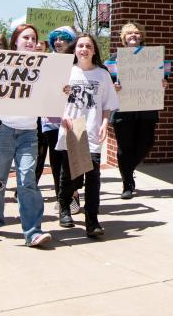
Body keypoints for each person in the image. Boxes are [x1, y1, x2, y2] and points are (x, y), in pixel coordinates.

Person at [0, 24, 52, 247]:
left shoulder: (45, 68)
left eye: (34, 38)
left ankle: (33, 231)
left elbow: (50, 96)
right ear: (15, 41)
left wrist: (61, 91)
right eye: (25, 37)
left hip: (29, 132)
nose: (30, 41)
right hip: (2, 131)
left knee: (28, 180)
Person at [56, 33, 118, 237]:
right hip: (72, 128)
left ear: (94, 50)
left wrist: (105, 124)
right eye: (80, 45)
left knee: (93, 177)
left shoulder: (102, 74)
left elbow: (109, 104)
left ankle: (92, 220)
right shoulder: (65, 72)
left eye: (88, 46)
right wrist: (61, 113)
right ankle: (64, 206)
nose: (84, 49)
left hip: (91, 129)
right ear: (74, 49)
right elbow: (52, 99)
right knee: (71, 177)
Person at [110, 22, 167, 200]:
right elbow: (109, 81)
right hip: (122, 108)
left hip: (146, 108)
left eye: (136, 33)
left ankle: (128, 169)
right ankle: (127, 183)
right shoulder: (114, 57)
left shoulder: (152, 57)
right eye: (129, 34)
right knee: (124, 147)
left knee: (147, 142)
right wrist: (114, 86)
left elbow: (163, 76)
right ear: (123, 37)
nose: (133, 36)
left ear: (142, 36)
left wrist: (163, 83)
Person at [35, 26, 77, 214]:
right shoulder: (45, 61)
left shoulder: (79, 63)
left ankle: (73, 195)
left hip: (74, 117)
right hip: (51, 118)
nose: (59, 42)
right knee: (56, 160)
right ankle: (61, 197)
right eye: (56, 39)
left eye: (64, 39)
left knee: (73, 158)